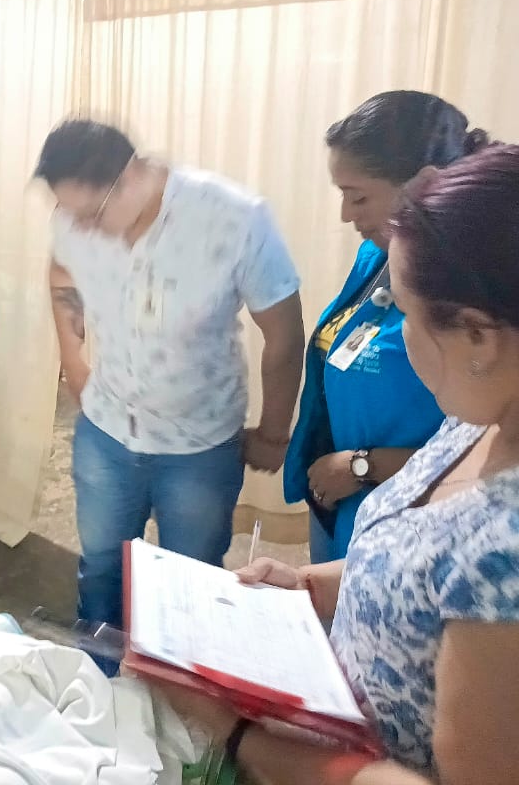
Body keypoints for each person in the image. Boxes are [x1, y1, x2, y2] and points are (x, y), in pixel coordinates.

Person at [149, 141, 519, 785]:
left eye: (405, 314)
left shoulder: (506, 549)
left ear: (477, 337)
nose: (399, 334)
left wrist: (239, 737)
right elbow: (422, 563)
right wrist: (311, 586)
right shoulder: (478, 419)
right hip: (334, 718)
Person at [38, 119, 304, 634]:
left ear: (129, 177)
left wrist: (274, 433)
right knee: (102, 569)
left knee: (192, 583)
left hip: (198, 446)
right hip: (106, 431)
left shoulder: (234, 218)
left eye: (91, 215)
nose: (80, 228)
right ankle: (101, 675)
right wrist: (73, 358)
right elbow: (61, 270)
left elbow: (284, 333)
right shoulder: (75, 218)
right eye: (70, 215)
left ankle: (179, 682)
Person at [284, 91, 492, 562]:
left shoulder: (467, 294)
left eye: (358, 196)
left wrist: (363, 466)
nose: (345, 214)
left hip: (407, 511)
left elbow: (487, 448)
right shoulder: (376, 257)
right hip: (342, 496)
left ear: (423, 185)